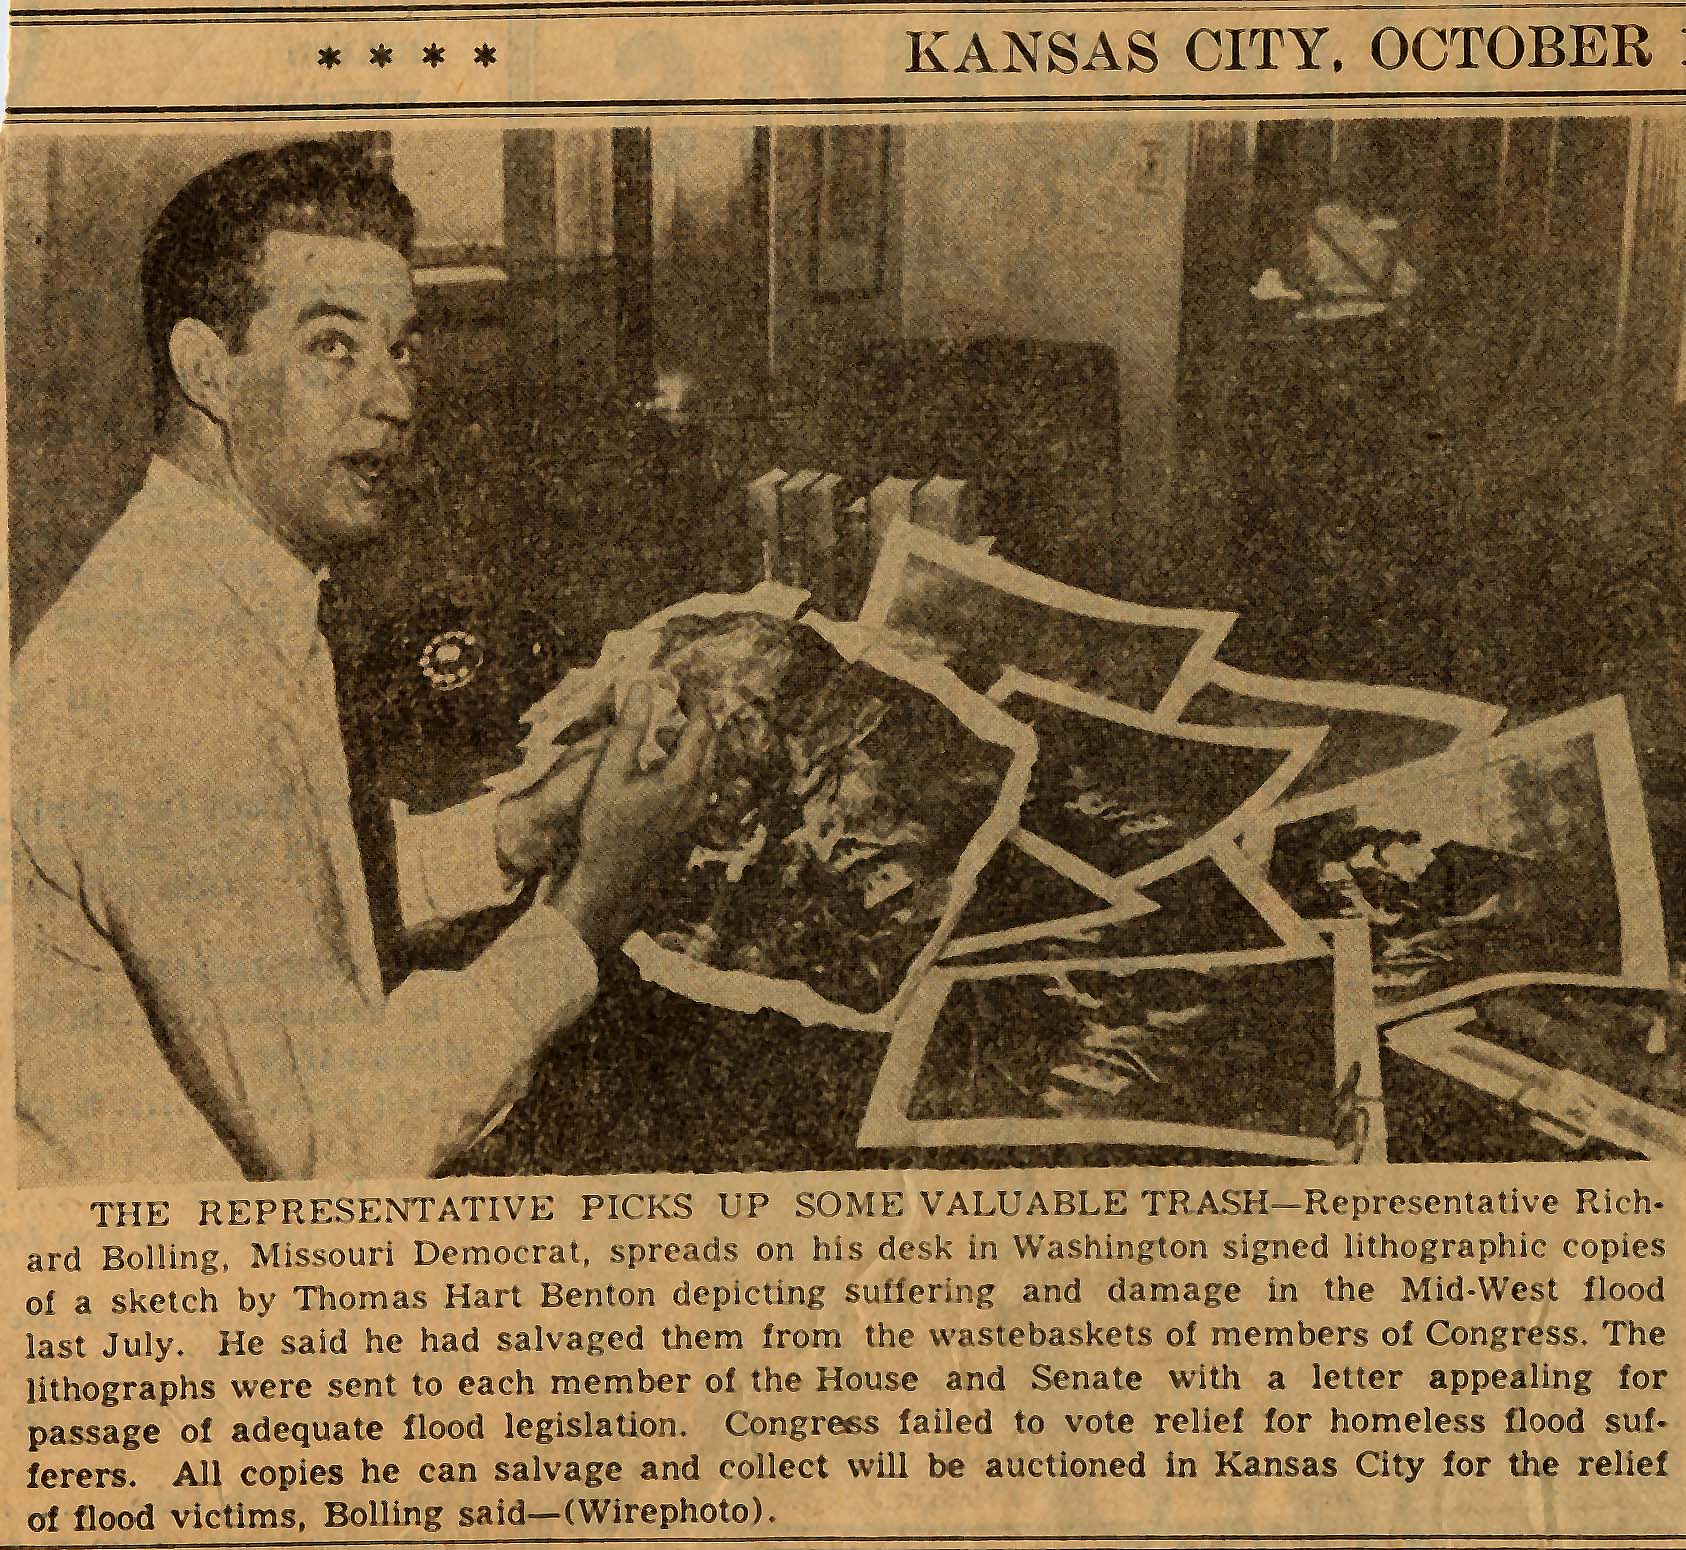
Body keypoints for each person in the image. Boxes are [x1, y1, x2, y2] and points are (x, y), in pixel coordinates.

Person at [11, 139, 715, 1185]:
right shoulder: (159, 682)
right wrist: (590, 906)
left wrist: (521, 828)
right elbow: (345, 1145)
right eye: (333, 347)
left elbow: (297, 892)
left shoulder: (218, 588)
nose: (394, 398)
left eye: (403, 348)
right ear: (208, 370)